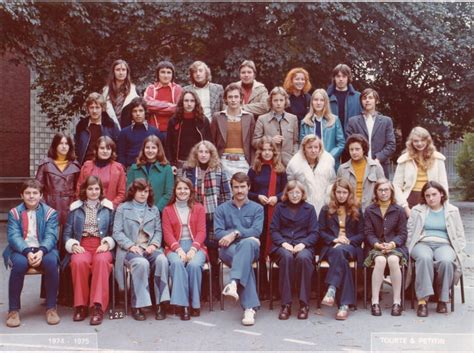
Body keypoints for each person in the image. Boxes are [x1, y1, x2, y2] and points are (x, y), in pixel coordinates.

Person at [3, 180, 60, 327]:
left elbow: (51, 235)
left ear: (41, 195)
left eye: (35, 193)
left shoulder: (50, 213)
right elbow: (13, 236)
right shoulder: (14, 213)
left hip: (44, 249)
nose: (31, 196)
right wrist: (27, 252)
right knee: (20, 265)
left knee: (52, 263)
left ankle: (51, 308)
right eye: (27, 193)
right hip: (21, 250)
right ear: (22, 195)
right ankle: (13, 310)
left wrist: (41, 251)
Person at [113, 178, 170, 321]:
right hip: (129, 250)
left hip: (149, 247)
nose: (143, 194)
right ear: (133, 192)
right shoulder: (122, 208)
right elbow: (117, 232)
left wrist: (154, 245)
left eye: (146, 191)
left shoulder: (154, 209)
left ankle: (160, 304)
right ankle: (138, 305)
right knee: (141, 263)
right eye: (139, 191)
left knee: (162, 260)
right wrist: (131, 246)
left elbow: (158, 231)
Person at [407, 181, 466, 317]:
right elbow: (409, 232)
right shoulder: (417, 210)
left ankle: (442, 299)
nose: (431, 198)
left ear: (441, 194)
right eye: (427, 195)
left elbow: (460, 234)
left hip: (444, 244)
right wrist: (409, 247)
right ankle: (422, 301)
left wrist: (458, 249)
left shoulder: (452, 210)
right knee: (424, 258)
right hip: (422, 243)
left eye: (434, 194)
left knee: (446, 261)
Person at [182, 141, 232, 300]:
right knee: (197, 251)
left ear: (211, 154)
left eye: (206, 152)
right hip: (194, 217)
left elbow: (225, 195)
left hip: (213, 217)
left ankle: (215, 288)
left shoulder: (219, 170)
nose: (203, 154)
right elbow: (182, 192)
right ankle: (201, 289)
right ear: (196, 154)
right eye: (200, 151)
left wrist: (221, 215)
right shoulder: (188, 170)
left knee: (212, 250)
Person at [63, 176, 115, 325]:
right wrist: (72, 245)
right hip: (82, 244)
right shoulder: (75, 208)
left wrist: (107, 243)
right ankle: (81, 306)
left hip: (101, 244)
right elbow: (67, 233)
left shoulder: (108, 208)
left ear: (101, 190)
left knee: (101, 261)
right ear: (84, 190)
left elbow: (114, 231)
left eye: (96, 189)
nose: (93, 192)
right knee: (79, 263)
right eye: (90, 189)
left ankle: (97, 306)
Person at [215, 172, 264, 326]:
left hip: (250, 249)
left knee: (248, 244)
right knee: (245, 257)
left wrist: (234, 234)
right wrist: (238, 236)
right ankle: (249, 308)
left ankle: (234, 283)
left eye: (243, 187)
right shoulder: (222, 209)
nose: (240, 191)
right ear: (231, 189)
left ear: (248, 187)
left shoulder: (257, 208)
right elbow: (217, 233)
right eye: (236, 187)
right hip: (227, 250)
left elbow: (256, 231)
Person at [270, 180, 318, 320]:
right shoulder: (280, 207)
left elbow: (314, 232)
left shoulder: (309, 209)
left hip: (303, 245)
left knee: (303, 258)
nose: (295, 195)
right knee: (286, 257)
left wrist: (304, 244)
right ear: (287, 193)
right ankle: (286, 304)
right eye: (292, 192)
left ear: (302, 194)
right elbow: (274, 230)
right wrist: (283, 243)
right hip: (283, 245)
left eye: (298, 192)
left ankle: (304, 304)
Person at [318, 178, 364, 320]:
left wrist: (348, 241)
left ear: (349, 193)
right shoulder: (326, 209)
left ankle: (332, 288)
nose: (341, 195)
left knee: (341, 252)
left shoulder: (356, 209)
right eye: (338, 192)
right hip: (332, 247)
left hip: (350, 247)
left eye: (344, 192)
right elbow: (320, 231)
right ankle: (343, 305)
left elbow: (362, 233)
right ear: (334, 193)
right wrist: (335, 240)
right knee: (341, 259)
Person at [162, 177, 207, 320]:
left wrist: (193, 249)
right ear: (175, 191)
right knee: (176, 263)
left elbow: (201, 232)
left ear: (191, 191)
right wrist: (179, 250)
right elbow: (167, 233)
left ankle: (195, 304)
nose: (183, 191)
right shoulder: (167, 210)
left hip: (196, 246)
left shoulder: (199, 208)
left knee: (194, 265)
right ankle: (184, 306)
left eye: (186, 188)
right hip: (175, 246)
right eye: (179, 188)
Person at [248, 137, 287, 297]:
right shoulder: (254, 169)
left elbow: (286, 190)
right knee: (262, 248)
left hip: (276, 212)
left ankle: (277, 289)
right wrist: (258, 197)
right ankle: (263, 287)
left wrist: (277, 198)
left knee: (275, 247)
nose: (267, 152)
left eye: (270, 150)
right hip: (259, 213)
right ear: (259, 151)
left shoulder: (280, 169)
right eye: (264, 150)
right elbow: (247, 191)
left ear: (274, 151)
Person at [364, 178, 408, 317]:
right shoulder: (370, 210)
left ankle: (397, 301)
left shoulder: (399, 210)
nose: (383, 193)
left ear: (391, 191)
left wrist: (392, 244)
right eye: (380, 190)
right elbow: (368, 232)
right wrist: (377, 244)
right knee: (380, 261)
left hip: (395, 246)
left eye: (386, 190)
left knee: (394, 260)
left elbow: (402, 233)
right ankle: (375, 301)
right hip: (375, 246)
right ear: (376, 192)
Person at [393, 126, 449, 217]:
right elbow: (396, 185)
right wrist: (405, 206)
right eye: (416, 141)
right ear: (411, 142)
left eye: (423, 140)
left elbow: (443, 184)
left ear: (428, 141)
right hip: (410, 199)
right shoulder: (404, 159)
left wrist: (445, 205)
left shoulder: (438, 158)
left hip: (432, 198)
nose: (419, 143)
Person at [346, 88, 396, 178]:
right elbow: (349, 143)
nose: (367, 100)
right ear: (361, 101)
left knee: (381, 191)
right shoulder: (353, 121)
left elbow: (391, 144)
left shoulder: (386, 121)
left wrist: (378, 158)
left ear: (376, 101)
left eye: (370, 98)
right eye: (364, 98)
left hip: (380, 165)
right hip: (358, 164)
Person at [210, 83, 255, 176]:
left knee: (241, 189)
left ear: (241, 98)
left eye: (236, 97)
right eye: (230, 97)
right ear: (225, 99)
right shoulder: (217, 117)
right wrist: (215, 161)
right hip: (223, 160)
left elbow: (252, 144)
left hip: (243, 161)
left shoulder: (249, 117)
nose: (233, 100)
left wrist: (252, 163)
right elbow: (211, 142)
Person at [36, 132, 81, 226]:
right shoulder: (45, 165)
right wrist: (44, 206)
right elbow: (37, 188)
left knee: (67, 236)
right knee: (51, 235)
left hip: (70, 206)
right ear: (55, 145)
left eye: (66, 144)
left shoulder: (75, 166)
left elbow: (79, 188)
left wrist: (75, 204)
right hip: (50, 205)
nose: (64, 146)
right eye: (61, 143)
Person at [286, 134, 335, 215]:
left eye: (316, 147)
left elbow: (332, 183)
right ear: (304, 149)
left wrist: (328, 201)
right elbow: (291, 187)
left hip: (324, 207)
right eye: (309, 147)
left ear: (320, 149)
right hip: (302, 207)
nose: (313, 150)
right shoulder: (294, 165)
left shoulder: (328, 163)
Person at [166, 89, 212, 171]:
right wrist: (171, 164)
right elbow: (168, 145)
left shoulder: (203, 121)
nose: (189, 104)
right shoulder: (174, 120)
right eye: (186, 101)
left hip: (198, 163)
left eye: (192, 101)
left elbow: (209, 144)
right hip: (179, 163)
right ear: (182, 102)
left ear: (196, 103)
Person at [252, 86, 299, 166]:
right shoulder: (262, 119)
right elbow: (254, 142)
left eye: (281, 100)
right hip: (268, 163)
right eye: (275, 100)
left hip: (288, 163)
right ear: (271, 102)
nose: (278, 103)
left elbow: (296, 142)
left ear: (285, 101)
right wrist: (270, 141)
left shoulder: (293, 119)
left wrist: (294, 157)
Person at [300, 89, 345, 170]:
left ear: (326, 102)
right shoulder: (305, 122)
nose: (318, 103)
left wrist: (328, 157)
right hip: (310, 163)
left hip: (329, 163)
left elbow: (341, 143)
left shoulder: (334, 120)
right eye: (315, 100)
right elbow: (302, 144)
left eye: (322, 100)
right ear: (311, 102)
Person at [337, 134, 385, 211]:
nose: (354, 152)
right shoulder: (342, 169)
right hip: (350, 210)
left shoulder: (375, 167)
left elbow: (383, 188)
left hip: (371, 209)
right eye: (351, 149)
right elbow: (338, 191)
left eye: (357, 149)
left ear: (363, 150)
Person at [76, 136, 126, 209]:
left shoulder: (118, 168)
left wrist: (111, 205)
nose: (105, 151)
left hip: (109, 210)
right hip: (88, 208)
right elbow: (79, 188)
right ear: (96, 150)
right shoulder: (87, 166)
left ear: (112, 151)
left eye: (108, 149)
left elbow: (122, 193)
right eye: (102, 148)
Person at [127, 135, 174, 212]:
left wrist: (156, 210)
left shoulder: (167, 169)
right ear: (143, 149)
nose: (150, 150)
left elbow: (168, 194)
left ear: (158, 150)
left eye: (153, 148)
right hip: (136, 212)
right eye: (147, 147)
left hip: (158, 212)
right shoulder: (134, 168)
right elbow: (129, 191)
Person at [117, 97, 164, 168]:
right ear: (131, 113)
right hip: (131, 168)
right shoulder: (124, 133)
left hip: (151, 168)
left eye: (141, 111)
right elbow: (121, 155)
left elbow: (160, 154)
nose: (138, 114)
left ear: (145, 112)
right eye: (135, 111)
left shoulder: (155, 132)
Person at [75, 92, 120, 165]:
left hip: (106, 166)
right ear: (87, 108)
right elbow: (76, 149)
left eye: (97, 107)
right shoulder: (81, 126)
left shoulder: (111, 126)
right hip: (86, 166)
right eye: (91, 107)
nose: (94, 111)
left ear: (102, 108)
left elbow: (118, 149)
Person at [144, 60, 183, 134]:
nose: (166, 75)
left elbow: (178, 109)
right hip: (154, 130)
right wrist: (169, 105)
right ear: (158, 74)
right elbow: (147, 105)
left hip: (174, 130)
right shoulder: (151, 88)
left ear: (172, 75)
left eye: (169, 72)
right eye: (162, 72)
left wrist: (156, 108)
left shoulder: (178, 89)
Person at [326, 63, 362, 137]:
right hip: (331, 138)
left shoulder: (358, 97)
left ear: (348, 78)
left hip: (353, 139)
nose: (341, 79)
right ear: (334, 78)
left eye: (344, 76)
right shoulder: (326, 97)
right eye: (338, 76)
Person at [102, 59, 139, 128]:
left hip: (129, 127)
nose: (121, 73)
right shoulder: (106, 90)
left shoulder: (134, 90)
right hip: (110, 128)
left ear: (127, 72)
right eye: (118, 70)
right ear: (113, 72)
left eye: (123, 70)